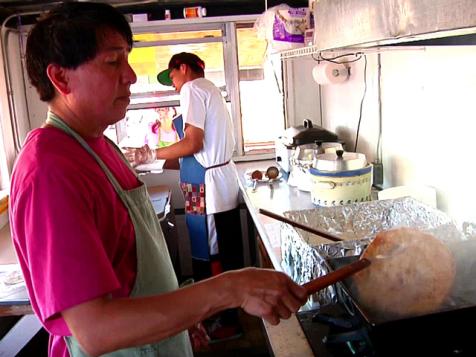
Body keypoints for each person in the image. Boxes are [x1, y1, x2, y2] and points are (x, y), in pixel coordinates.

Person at [8, 3, 308, 357]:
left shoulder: (102, 146)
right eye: (113, 61)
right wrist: (230, 288)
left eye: (127, 59)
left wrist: (183, 315)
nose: (131, 75)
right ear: (60, 78)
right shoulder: (50, 169)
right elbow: (96, 330)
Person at [126, 52, 245, 340]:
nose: (174, 85)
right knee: (215, 252)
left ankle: (226, 322)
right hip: (206, 185)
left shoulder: (193, 88)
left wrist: (149, 153)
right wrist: (150, 161)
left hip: (209, 191)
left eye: (173, 77)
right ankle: (220, 316)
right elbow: (191, 153)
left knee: (213, 255)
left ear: (183, 68)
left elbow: (192, 143)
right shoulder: (210, 91)